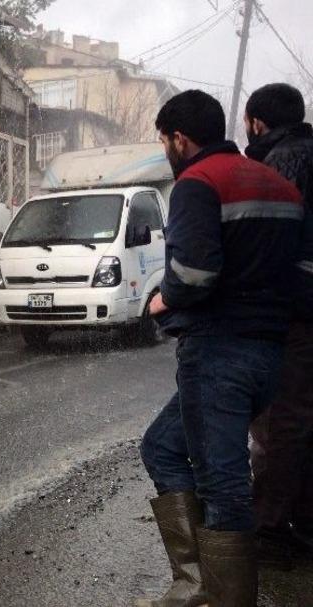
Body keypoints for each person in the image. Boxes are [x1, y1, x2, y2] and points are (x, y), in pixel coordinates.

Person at [136, 90, 304, 607]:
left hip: (216, 354)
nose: (166, 149)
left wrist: (162, 301)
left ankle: (223, 597)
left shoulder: (197, 183)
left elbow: (194, 273)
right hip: (269, 354)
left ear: (180, 139)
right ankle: (196, 586)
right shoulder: (282, 186)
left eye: (165, 140)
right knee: (162, 447)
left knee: (222, 481)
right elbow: (306, 272)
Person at [244, 83, 313, 570]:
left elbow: (268, 238)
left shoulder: (284, 160)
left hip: (296, 308)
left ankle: (269, 526)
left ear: (256, 123)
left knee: (283, 417)